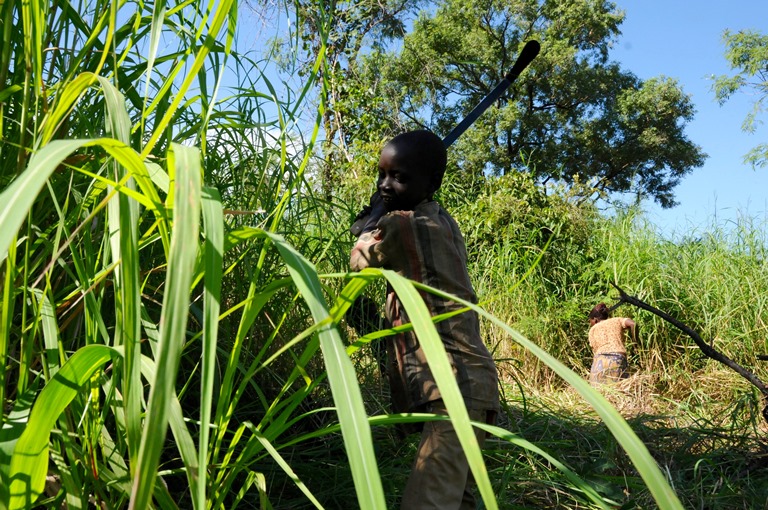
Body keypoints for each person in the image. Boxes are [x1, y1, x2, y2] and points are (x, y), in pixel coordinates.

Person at [349, 129, 499, 510]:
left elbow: (359, 261)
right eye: (382, 175)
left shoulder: (403, 225)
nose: (385, 185)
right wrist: (384, 209)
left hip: (454, 392)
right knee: (456, 500)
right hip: (473, 387)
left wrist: (369, 223)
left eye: (399, 177)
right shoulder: (443, 220)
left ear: (431, 183)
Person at [587, 302, 635, 384]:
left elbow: (594, 350)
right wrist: (635, 342)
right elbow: (632, 324)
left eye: (590, 321)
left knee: (597, 390)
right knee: (618, 388)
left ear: (595, 319)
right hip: (617, 358)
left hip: (600, 360)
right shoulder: (616, 321)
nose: (590, 324)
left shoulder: (593, 330)